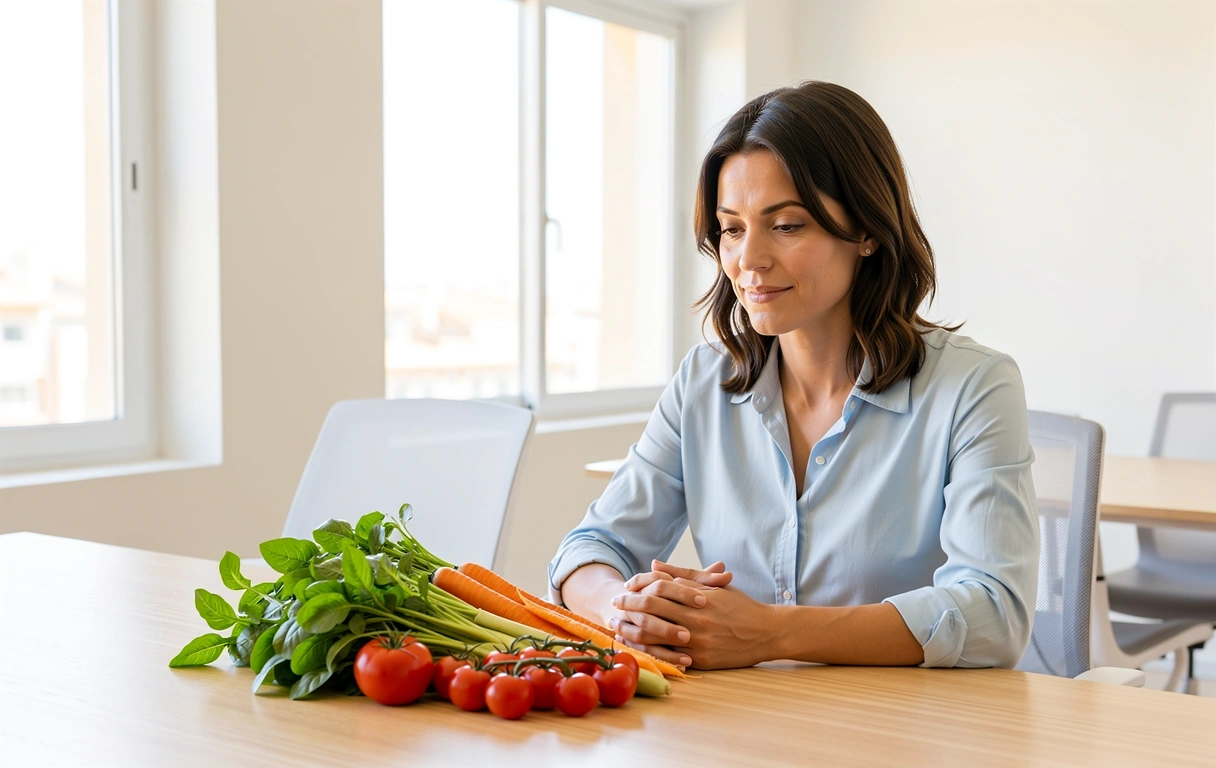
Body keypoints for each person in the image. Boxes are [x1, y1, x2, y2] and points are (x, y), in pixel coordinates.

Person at [547, 81, 1039, 672]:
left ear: (867, 231)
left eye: (786, 225)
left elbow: (993, 614)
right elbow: (590, 548)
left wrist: (770, 634)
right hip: (739, 731)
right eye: (732, 228)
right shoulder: (704, 383)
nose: (748, 259)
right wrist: (625, 610)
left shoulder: (975, 387)